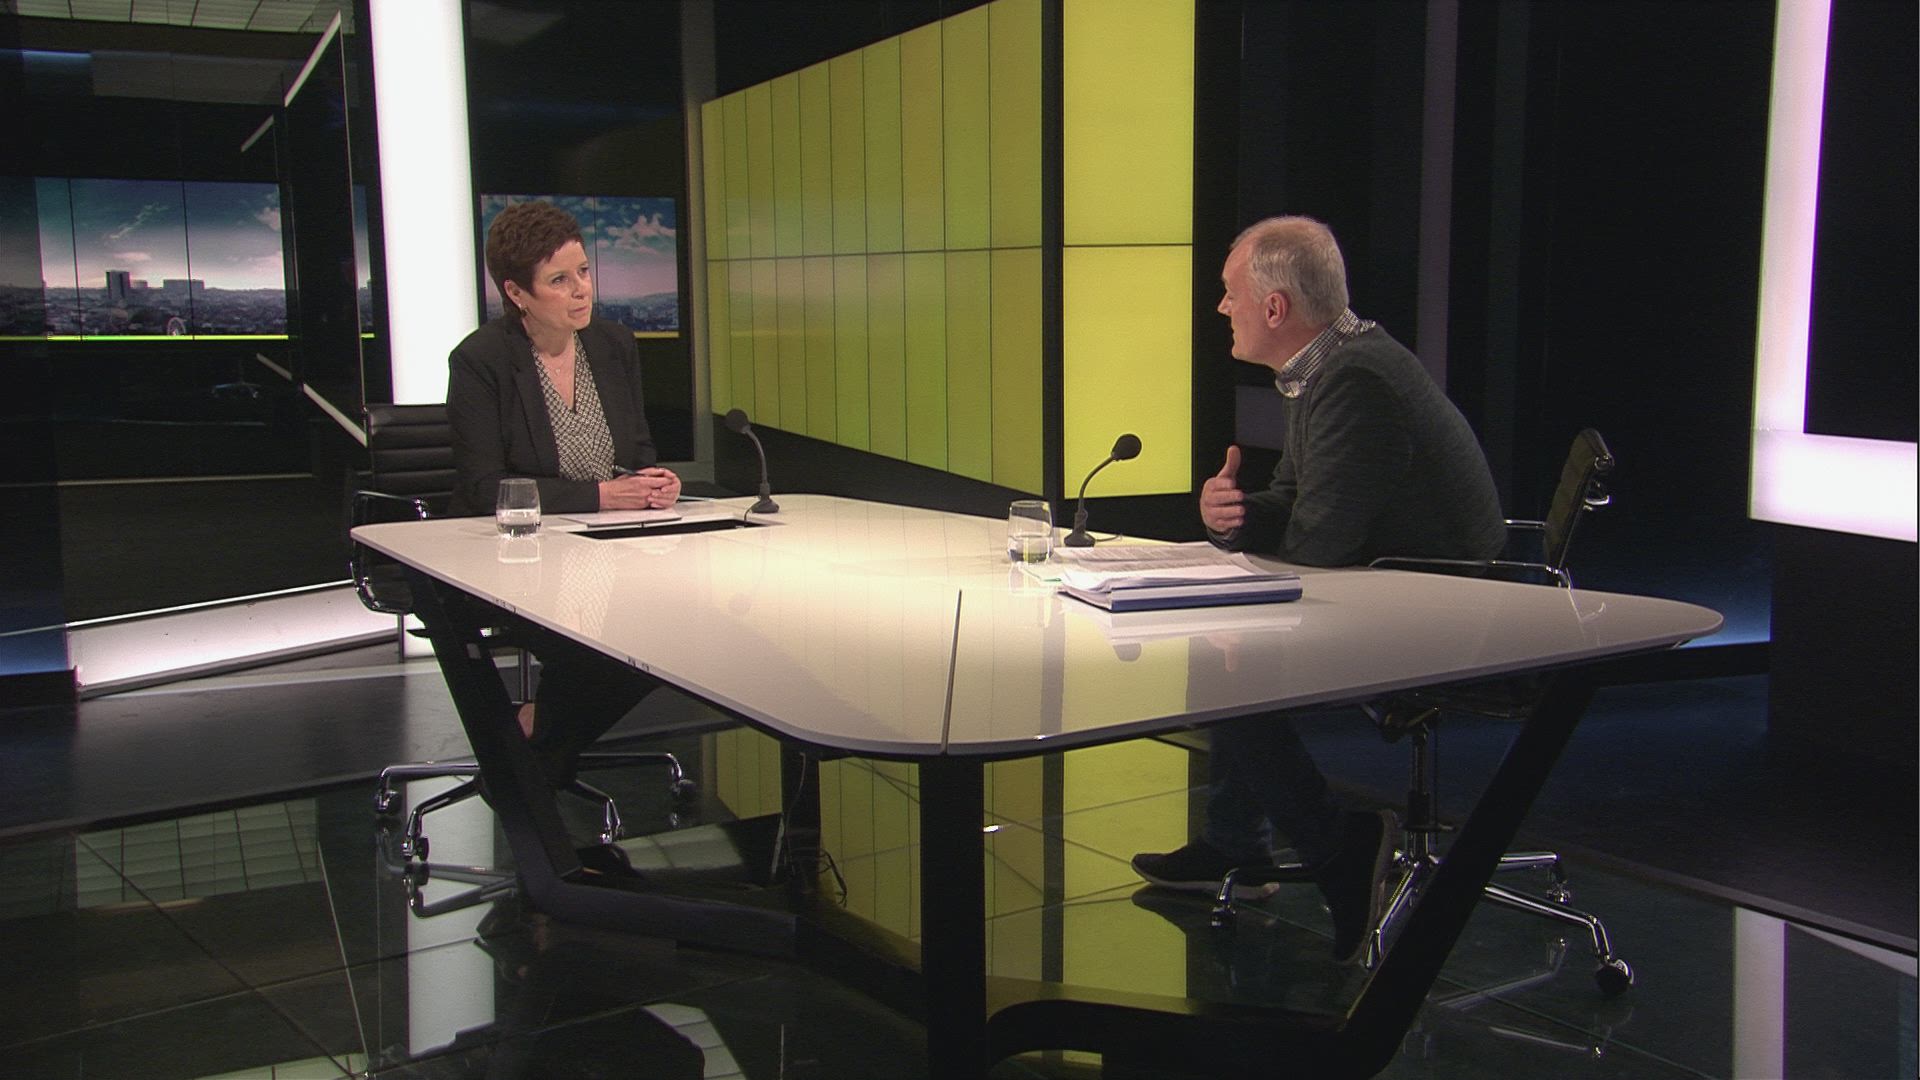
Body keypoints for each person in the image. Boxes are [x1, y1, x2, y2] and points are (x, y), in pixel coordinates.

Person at [1131, 216, 1506, 964]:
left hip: (1444, 607)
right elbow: (1300, 501)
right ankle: (1237, 844)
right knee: (1228, 643)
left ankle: (1340, 851)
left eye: (1230, 293)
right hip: (1401, 583)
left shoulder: (1355, 380)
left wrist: (1242, 564)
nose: (1221, 307)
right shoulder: (1330, 362)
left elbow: (1322, 544)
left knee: (1230, 658)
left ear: (1274, 308)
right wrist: (1234, 515)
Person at [446, 200, 680, 787]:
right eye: (558, 280)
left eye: (583, 271)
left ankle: (534, 743)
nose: (581, 290)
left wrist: (655, 482)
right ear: (516, 292)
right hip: (517, 559)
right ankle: (537, 767)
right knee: (607, 645)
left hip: (611, 548)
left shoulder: (613, 345)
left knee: (674, 629)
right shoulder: (481, 361)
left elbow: (636, 452)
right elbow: (485, 488)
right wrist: (602, 496)